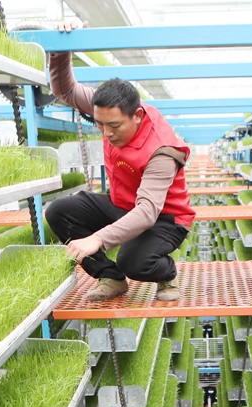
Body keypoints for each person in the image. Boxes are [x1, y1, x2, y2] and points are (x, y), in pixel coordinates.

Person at [43, 18, 195, 303]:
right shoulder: (108, 109)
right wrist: (60, 48)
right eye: (100, 125)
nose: (106, 133)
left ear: (136, 115)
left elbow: (148, 212)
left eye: (114, 126)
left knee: (134, 261)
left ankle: (166, 273)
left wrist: (98, 238)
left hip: (165, 218)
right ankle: (110, 276)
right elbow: (66, 91)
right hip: (122, 204)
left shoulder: (162, 150)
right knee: (58, 211)